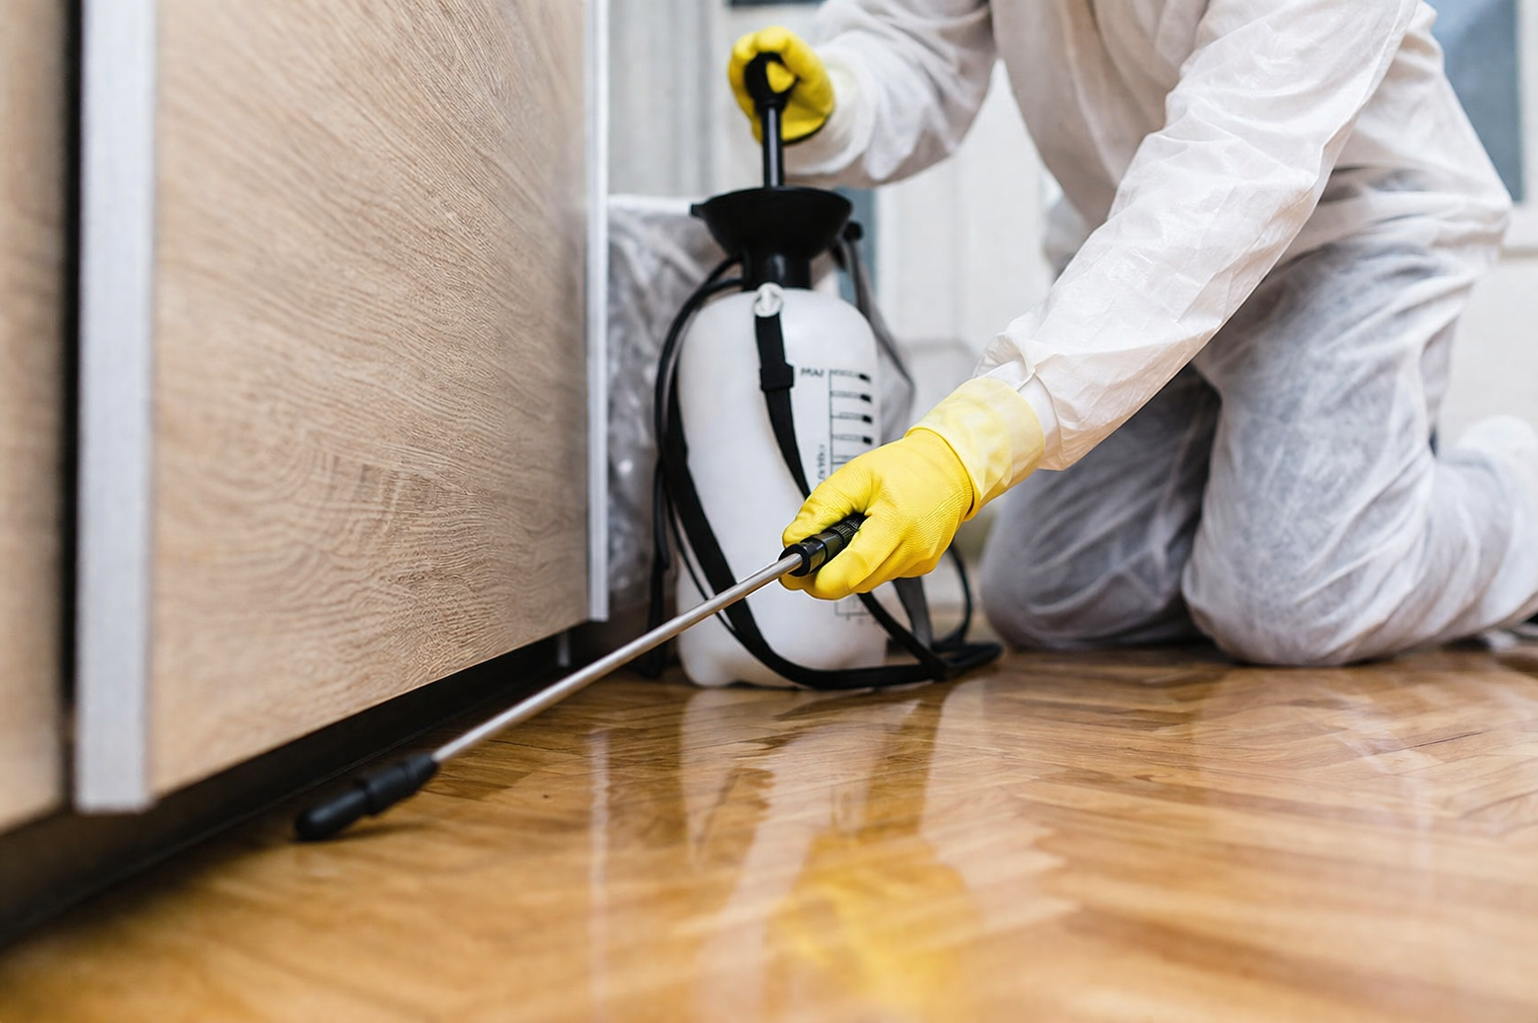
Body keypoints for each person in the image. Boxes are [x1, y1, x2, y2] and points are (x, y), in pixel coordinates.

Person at [728, 1, 1538, 666]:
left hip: (1345, 239)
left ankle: (1508, 503)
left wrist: (977, 436)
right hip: (1135, 247)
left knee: (1293, 607)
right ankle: (1299, 496)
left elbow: (1237, 172)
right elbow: (919, 38)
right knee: (1050, 597)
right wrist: (846, 95)